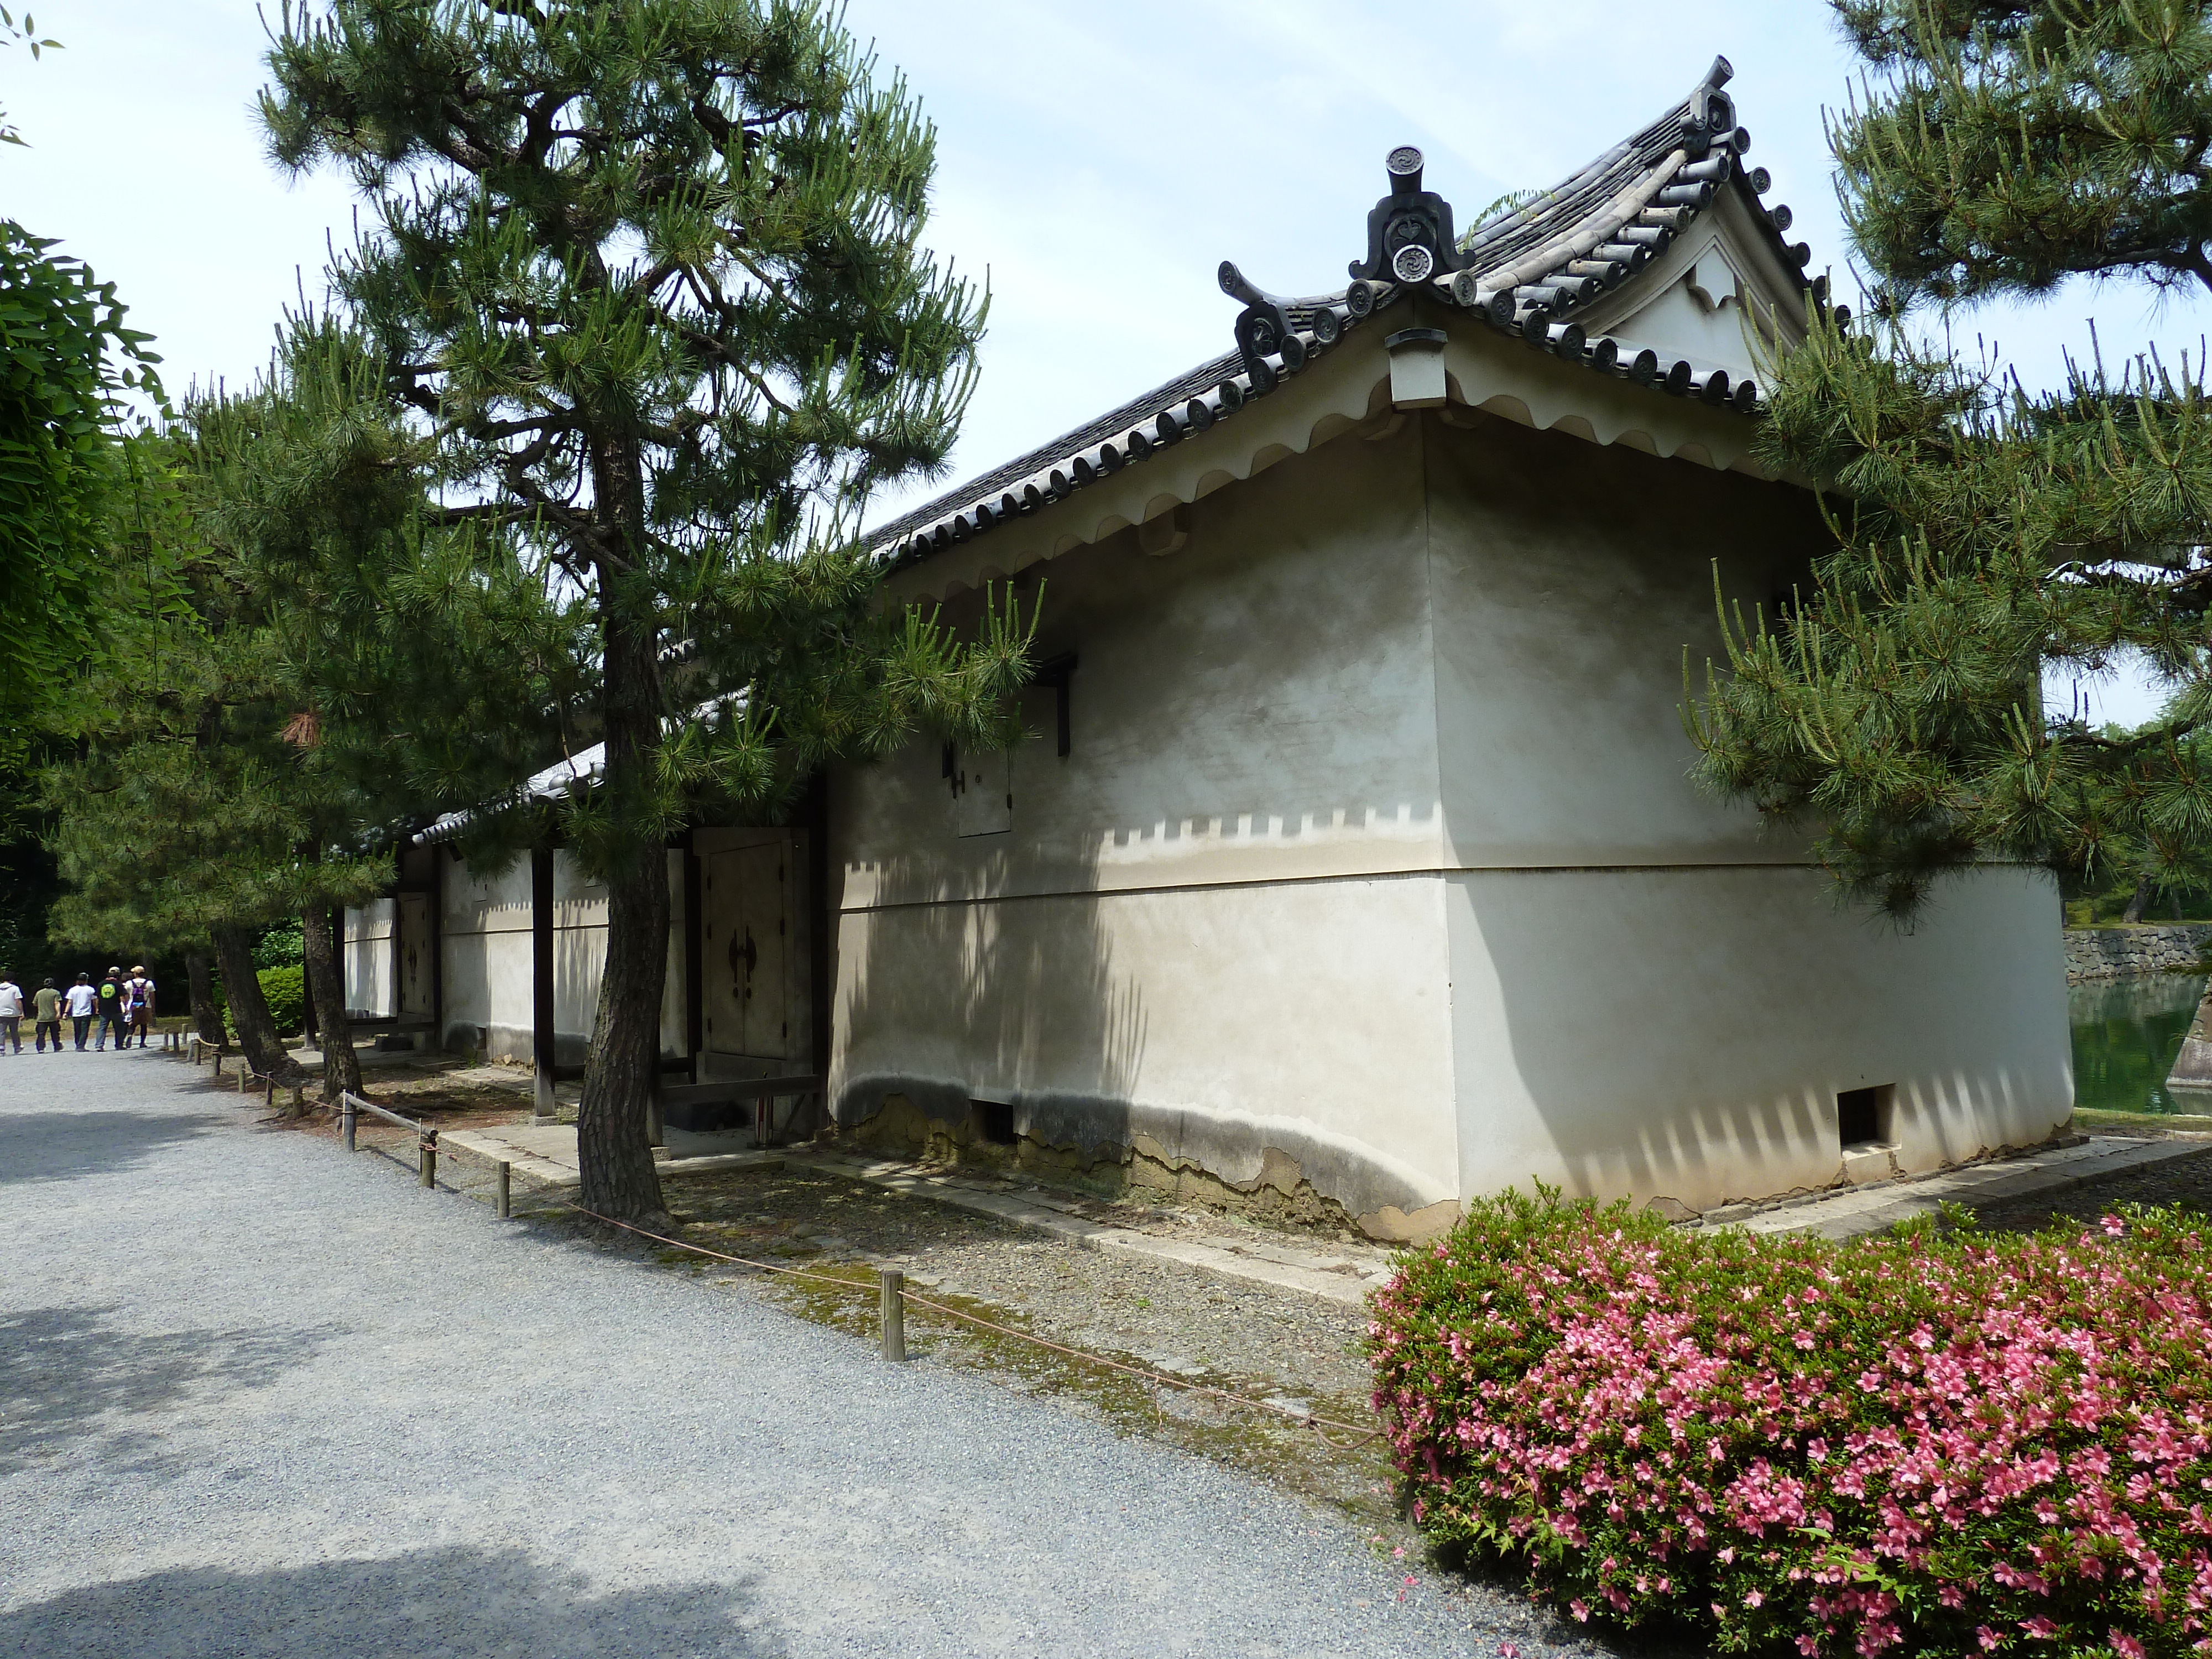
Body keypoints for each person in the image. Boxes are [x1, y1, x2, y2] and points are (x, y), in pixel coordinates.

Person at [95, 967, 127, 1052]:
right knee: (119, 1028)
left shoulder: (101, 984)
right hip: (116, 1009)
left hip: (103, 1008)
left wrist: (97, 1008)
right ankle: (119, 1045)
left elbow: (97, 997)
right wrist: (125, 1006)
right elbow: (123, 996)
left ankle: (99, 1045)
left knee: (102, 1027)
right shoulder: (118, 984)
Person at [63, 973, 97, 1050]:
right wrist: (97, 1009)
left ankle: (78, 1044)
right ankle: (81, 1045)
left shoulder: (73, 990)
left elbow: (70, 1002)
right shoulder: (90, 989)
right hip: (87, 1013)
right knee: (84, 1030)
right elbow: (95, 1000)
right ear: (86, 980)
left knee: (77, 1030)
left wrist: (66, 1012)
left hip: (76, 1013)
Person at [126, 966, 154, 1048]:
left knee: (132, 1024)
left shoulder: (129, 983)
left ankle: (130, 1035)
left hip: (133, 1006)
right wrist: (153, 1007)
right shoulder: (149, 983)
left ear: (135, 974)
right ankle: (142, 1042)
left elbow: (126, 995)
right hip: (146, 1006)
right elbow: (152, 996)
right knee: (144, 1025)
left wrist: (127, 1005)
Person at [33, 978, 61, 1052]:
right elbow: (57, 1003)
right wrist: (58, 1013)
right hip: (53, 1017)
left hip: (42, 1017)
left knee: (41, 1034)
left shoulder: (39, 993)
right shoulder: (55, 993)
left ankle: (41, 1048)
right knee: (55, 1033)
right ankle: (57, 1047)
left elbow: (35, 1004)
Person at [0, 971, 20, 1055]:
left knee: (1, 1032)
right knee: (14, 1031)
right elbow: (18, 1001)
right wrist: (21, 1011)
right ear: (12, 979)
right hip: (13, 1013)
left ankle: (1, 1048)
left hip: (1, 1013)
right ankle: (17, 1047)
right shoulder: (15, 988)